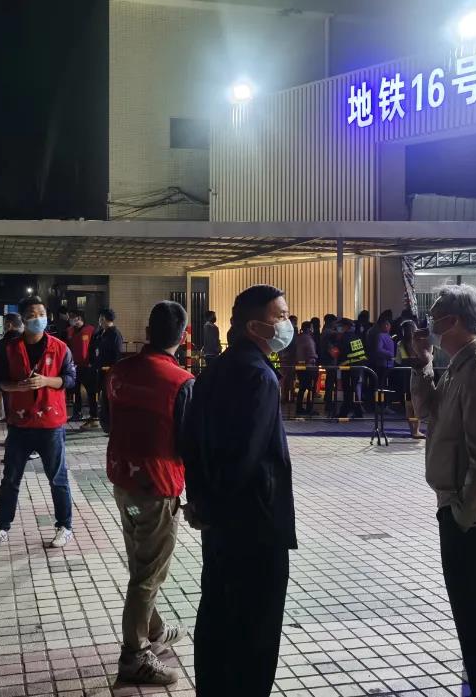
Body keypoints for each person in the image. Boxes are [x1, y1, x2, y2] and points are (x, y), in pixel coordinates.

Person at [182, 284, 296, 697]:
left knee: (217, 614)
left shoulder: (214, 370)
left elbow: (190, 440)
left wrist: (202, 503)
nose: (288, 323)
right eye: (280, 316)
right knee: (256, 628)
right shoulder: (259, 376)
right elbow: (246, 456)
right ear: (254, 326)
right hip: (255, 524)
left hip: (218, 523)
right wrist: (220, 506)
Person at [410, 284, 476, 697]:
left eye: (435, 315)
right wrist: (423, 364)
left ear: (453, 321)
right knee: (474, 611)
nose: (429, 323)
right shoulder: (460, 364)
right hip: (467, 506)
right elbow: (429, 410)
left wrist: (463, 515)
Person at [102, 301, 194, 685]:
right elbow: (190, 445)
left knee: (140, 563)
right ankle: (134, 655)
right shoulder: (181, 382)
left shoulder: (119, 372)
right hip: (158, 487)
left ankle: (153, 630)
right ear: (183, 337)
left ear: (147, 331)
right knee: (148, 573)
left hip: (124, 483)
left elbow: (106, 422)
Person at [0, 295, 77, 550]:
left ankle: (65, 526)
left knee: (58, 478)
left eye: (42, 314)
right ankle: (2, 527)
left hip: (51, 424)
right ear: (23, 319)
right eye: (32, 315)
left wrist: (47, 381)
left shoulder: (60, 347)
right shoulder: (7, 348)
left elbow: (70, 379)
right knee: (10, 479)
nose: (38, 318)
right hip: (20, 424)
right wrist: (16, 386)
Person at [89, 308, 124, 429]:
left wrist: (111, 369)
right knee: (100, 396)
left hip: (109, 371)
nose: (99, 320)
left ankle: (110, 424)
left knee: (108, 397)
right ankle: (101, 420)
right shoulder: (100, 333)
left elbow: (116, 355)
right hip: (98, 370)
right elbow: (93, 348)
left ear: (104, 319)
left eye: (100, 318)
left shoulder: (115, 334)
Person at [66, 309, 95, 423]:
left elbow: (94, 347)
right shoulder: (69, 330)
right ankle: (76, 413)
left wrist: (92, 362)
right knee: (75, 392)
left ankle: (93, 414)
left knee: (91, 391)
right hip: (74, 366)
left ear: (79, 318)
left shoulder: (90, 330)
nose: (70, 319)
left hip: (87, 366)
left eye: (72, 317)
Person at [336, 318, 367, 419]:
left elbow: (341, 353)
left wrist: (338, 364)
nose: (339, 328)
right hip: (357, 367)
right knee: (353, 390)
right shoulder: (356, 337)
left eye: (340, 326)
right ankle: (358, 412)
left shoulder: (345, 338)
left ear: (346, 327)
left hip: (348, 368)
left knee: (348, 391)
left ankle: (344, 413)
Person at [294, 321, 318, 415]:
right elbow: (312, 353)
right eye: (311, 328)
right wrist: (315, 357)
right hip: (309, 367)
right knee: (311, 388)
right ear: (308, 329)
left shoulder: (298, 337)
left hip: (299, 366)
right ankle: (309, 408)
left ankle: (299, 407)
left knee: (302, 388)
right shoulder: (308, 339)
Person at [319, 314, 340, 417]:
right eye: (335, 322)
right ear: (331, 322)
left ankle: (328, 400)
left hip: (328, 360)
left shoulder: (325, 331)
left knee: (330, 381)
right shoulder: (328, 332)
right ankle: (329, 402)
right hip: (330, 361)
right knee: (330, 381)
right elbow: (331, 346)